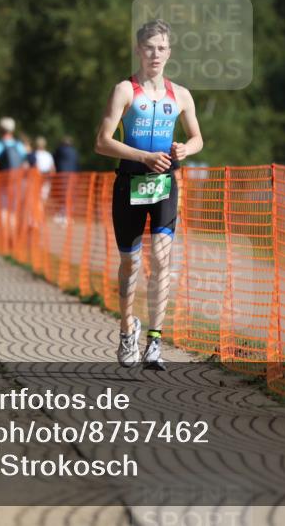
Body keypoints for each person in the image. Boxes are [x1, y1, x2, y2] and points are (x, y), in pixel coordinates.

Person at [94, 19, 203, 370]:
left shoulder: (181, 95)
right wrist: (142, 156)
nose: (155, 54)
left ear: (169, 53)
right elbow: (102, 142)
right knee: (130, 262)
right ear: (139, 51)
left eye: (161, 48)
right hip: (130, 183)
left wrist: (186, 149)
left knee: (162, 260)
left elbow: (198, 138)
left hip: (165, 185)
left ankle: (155, 341)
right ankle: (128, 330)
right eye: (149, 48)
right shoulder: (124, 91)